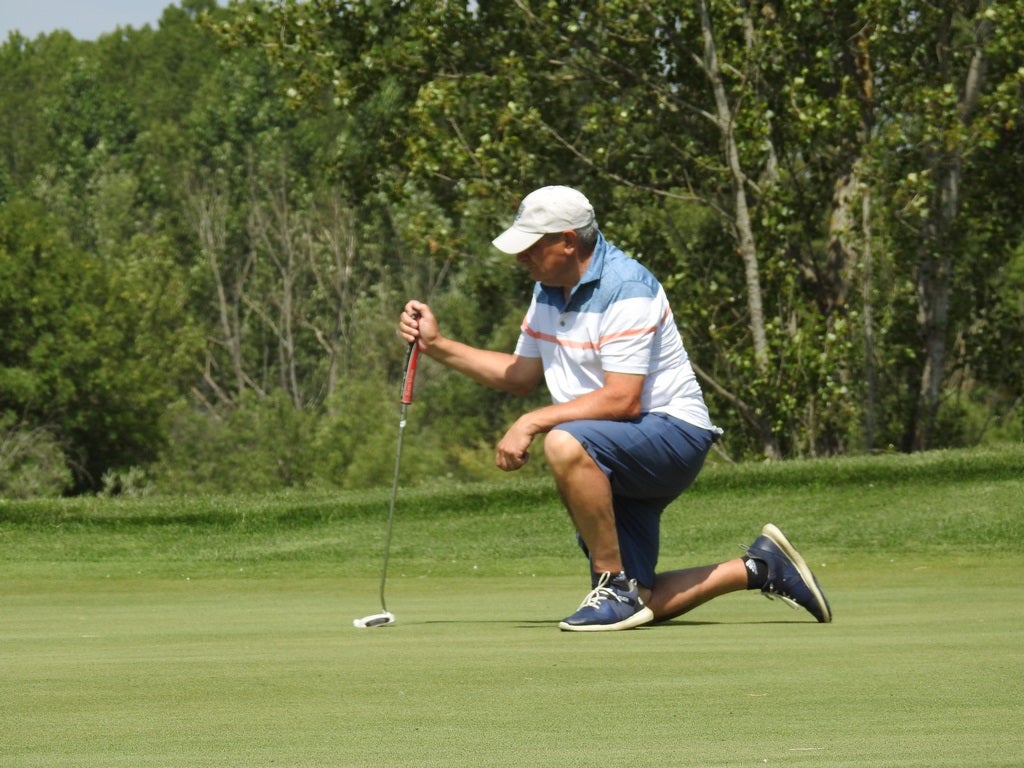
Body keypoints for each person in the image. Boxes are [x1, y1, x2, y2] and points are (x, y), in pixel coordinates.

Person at [399, 185, 831, 631]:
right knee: (640, 602)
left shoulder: (626, 286)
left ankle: (613, 581)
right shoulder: (548, 289)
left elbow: (622, 399)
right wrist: (436, 345)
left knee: (564, 443)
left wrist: (532, 422)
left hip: (669, 434)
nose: (520, 257)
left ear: (567, 241)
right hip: (612, 449)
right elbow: (520, 375)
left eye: (531, 245)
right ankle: (760, 568)